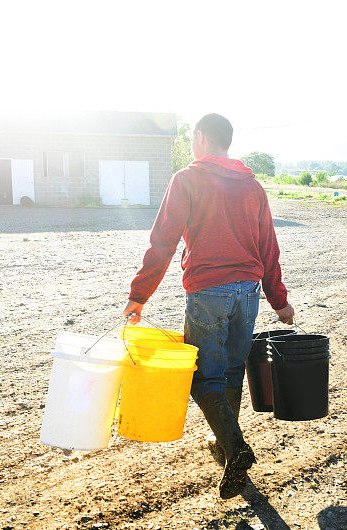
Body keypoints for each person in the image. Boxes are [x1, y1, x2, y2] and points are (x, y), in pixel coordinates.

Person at [122, 113, 294, 499]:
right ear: (226, 142)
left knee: (202, 377)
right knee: (232, 370)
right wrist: (279, 301)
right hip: (248, 290)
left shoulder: (187, 179)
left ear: (200, 138)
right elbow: (269, 247)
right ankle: (225, 446)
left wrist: (139, 295)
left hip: (208, 290)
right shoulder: (252, 187)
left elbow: (163, 241)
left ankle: (234, 449)